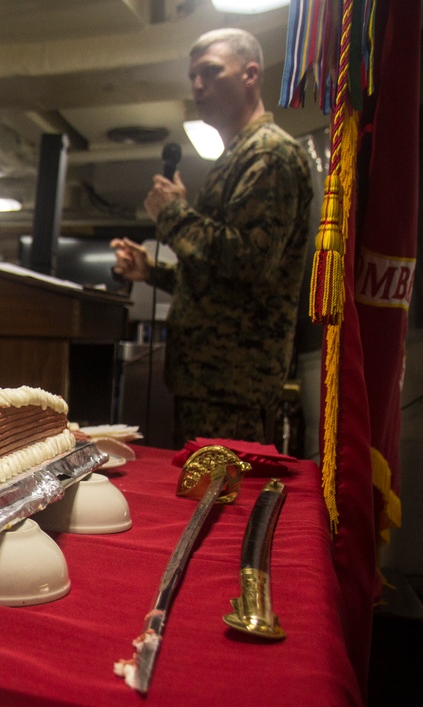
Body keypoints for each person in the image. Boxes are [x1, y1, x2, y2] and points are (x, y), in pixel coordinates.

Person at [110, 28, 312, 446]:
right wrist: (151, 271)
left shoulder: (269, 154)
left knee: (226, 505)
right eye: (193, 77)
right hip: (208, 380)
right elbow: (215, 280)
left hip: (235, 384)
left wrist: (174, 215)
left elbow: (249, 263)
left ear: (251, 75)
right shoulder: (236, 156)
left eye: (211, 72)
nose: (198, 85)